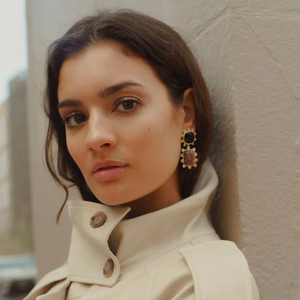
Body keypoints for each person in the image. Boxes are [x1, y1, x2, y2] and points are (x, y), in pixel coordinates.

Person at [25, 9, 259, 300]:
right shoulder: (63, 278)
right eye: (75, 118)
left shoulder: (205, 284)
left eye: (125, 104)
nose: (95, 137)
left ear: (186, 112)